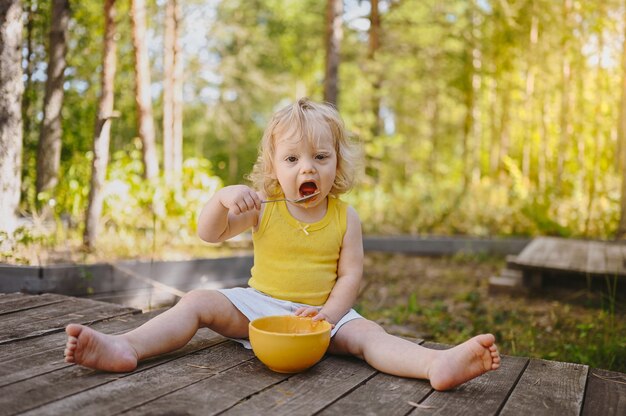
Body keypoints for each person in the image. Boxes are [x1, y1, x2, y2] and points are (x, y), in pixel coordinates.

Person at [64, 98, 500, 391]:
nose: (306, 169)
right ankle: (128, 346)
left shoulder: (346, 218)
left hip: (323, 316)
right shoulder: (263, 208)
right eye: (292, 159)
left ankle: (433, 365)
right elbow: (208, 234)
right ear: (273, 165)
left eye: (320, 158)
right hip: (260, 307)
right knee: (197, 301)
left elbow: (351, 275)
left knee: (371, 336)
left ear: (337, 163)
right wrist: (221, 199)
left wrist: (329, 316)